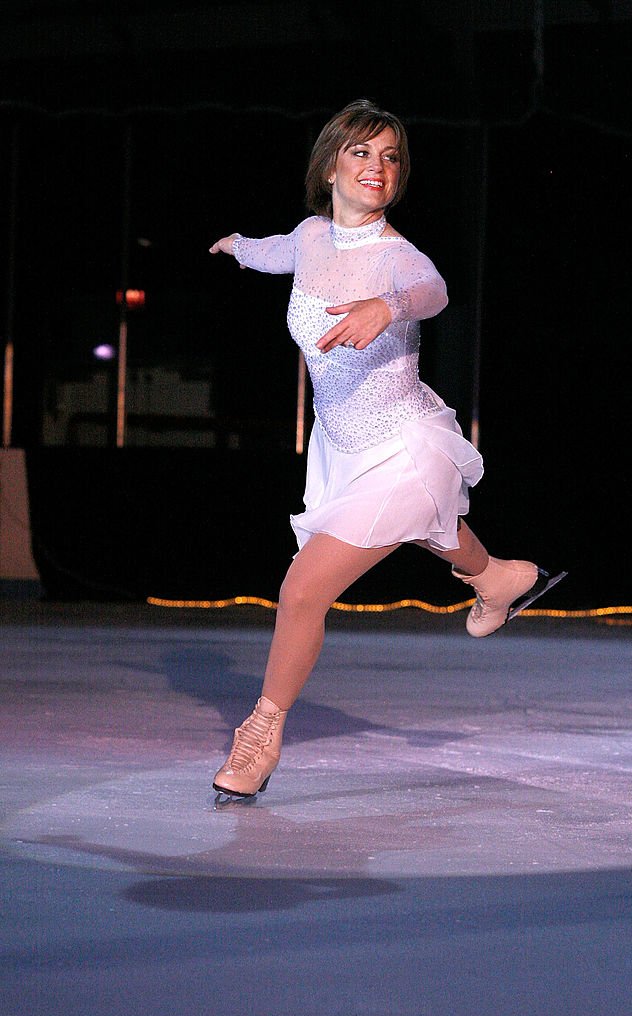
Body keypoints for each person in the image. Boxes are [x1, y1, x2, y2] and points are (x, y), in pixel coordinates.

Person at [208, 99, 565, 799]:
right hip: (341, 448)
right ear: (331, 164)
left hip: (399, 442)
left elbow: (432, 292)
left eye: (391, 156)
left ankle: (260, 735)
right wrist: (237, 247)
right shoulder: (312, 235)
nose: (378, 167)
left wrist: (386, 307)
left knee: (301, 589)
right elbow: (277, 249)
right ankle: (499, 578)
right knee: (432, 526)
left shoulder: (400, 257)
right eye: (363, 153)